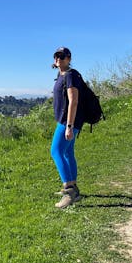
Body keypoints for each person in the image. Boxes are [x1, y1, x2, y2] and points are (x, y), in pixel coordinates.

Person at [51, 46, 84, 209]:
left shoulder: (70, 75)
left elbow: (74, 101)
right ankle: (74, 189)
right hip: (67, 121)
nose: (58, 58)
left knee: (56, 151)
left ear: (69, 58)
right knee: (68, 152)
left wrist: (69, 126)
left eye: (62, 56)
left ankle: (69, 192)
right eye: (56, 56)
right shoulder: (62, 75)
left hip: (68, 122)